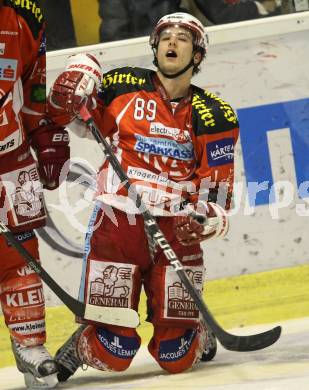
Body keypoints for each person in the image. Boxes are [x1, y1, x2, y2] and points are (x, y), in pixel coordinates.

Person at [47, 12, 239, 382]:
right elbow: (67, 115)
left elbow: (216, 194)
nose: (172, 42)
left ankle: (195, 331)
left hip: (176, 234)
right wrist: (76, 74)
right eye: (166, 36)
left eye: (184, 38)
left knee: (176, 357)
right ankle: (85, 340)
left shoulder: (215, 115)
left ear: (197, 55)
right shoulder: (122, 86)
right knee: (112, 352)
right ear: (155, 45)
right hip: (118, 227)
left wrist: (206, 218)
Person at [0, 0, 70, 388]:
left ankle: (31, 345)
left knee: (21, 254)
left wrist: (45, 139)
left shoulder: (25, 16)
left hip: (11, 155)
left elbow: (33, 84)